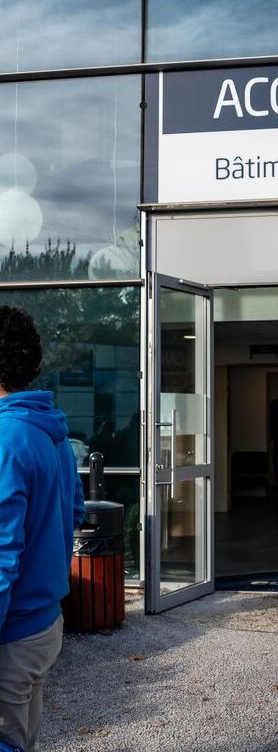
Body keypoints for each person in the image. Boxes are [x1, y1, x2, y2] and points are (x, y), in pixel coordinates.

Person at [0, 306, 85, 752]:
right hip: (45, 626)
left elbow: (1, 556)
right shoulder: (50, 430)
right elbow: (73, 512)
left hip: (12, 635)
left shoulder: (7, 439)